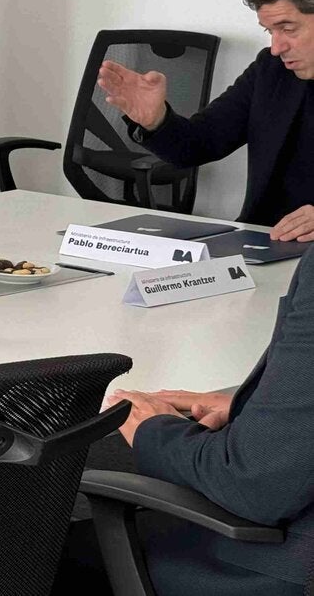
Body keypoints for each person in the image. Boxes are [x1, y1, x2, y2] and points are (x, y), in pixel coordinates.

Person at [97, 247, 314, 595]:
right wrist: (267, 406)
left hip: (283, 570)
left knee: (50, 523)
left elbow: (254, 486)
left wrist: (154, 432)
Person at [97, 0, 314, 240]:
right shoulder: (271, 71)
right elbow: (198, 144)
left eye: (288, 29)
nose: (276, 47)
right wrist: (156, 120)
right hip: (265, 242)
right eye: (270, 32)